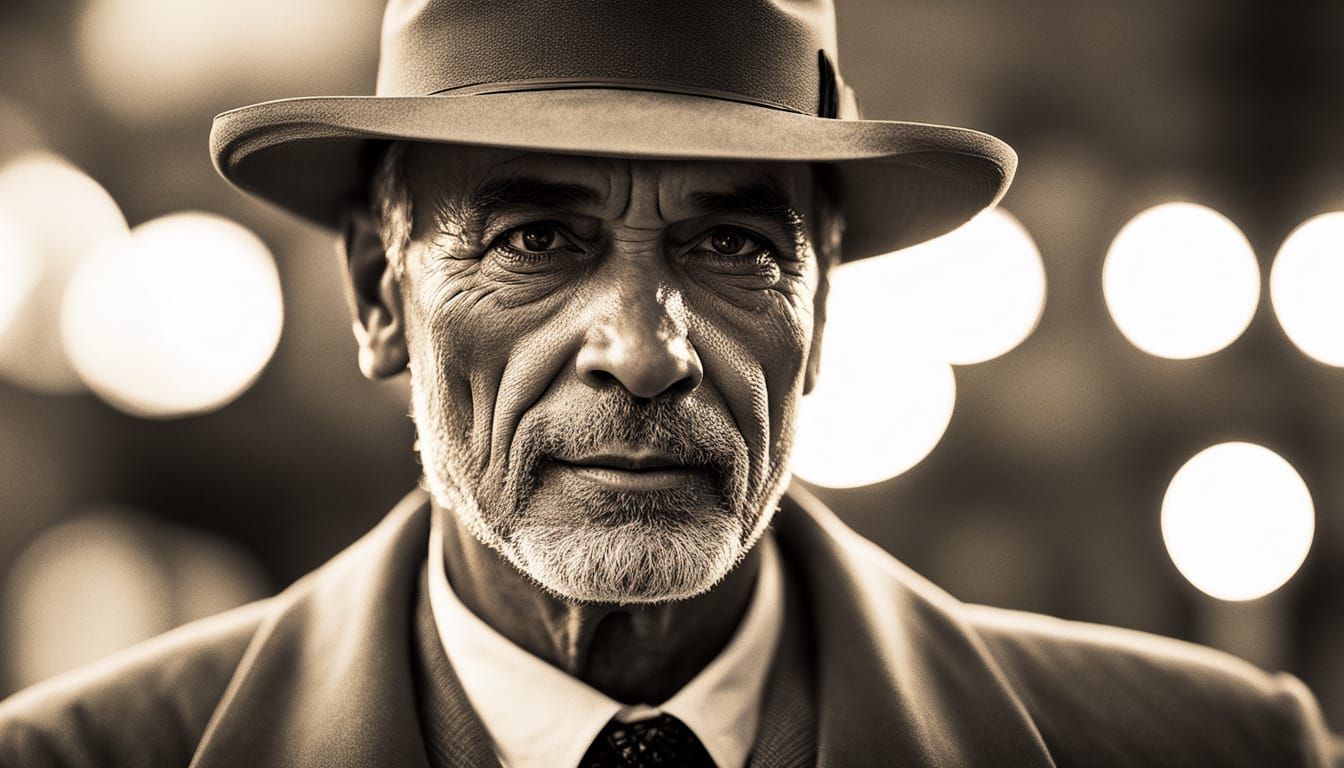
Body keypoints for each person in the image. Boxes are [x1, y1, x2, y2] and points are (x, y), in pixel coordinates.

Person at [2, 1, 1341, 766]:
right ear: (376, 289)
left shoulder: (1214, 753)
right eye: (538, 240)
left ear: (821, 308)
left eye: (732, 245)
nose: (645, 348)